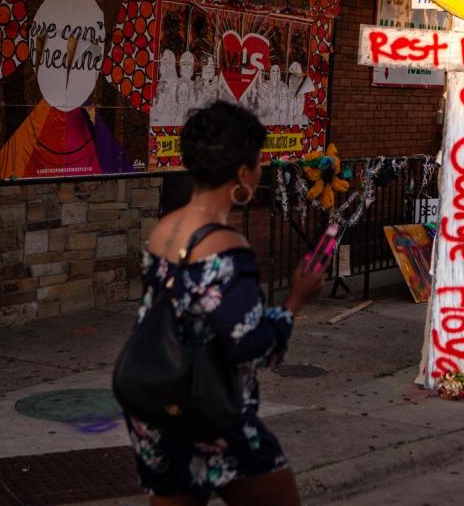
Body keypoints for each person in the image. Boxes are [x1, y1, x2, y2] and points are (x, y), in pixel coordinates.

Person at [124, 101, 324, 505]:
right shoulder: (227, 248)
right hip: (209, 410)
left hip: (157, 403)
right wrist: (296, 299)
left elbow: (191, 312)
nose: (261, 171)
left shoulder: (166, 228)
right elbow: (249, 345)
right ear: (241, 173)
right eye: (259, 162)